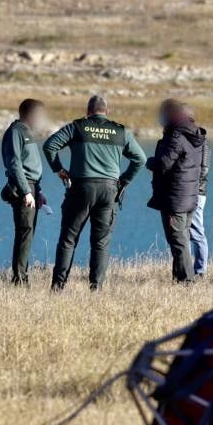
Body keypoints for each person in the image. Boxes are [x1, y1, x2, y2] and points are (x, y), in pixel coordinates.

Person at [43, 95, 146, 291]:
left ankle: (58, 287)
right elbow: (140, 159)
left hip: (81, 188)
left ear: (88, 111)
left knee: (68, 239)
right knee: (100, 242)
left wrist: (58, 169)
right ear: (108, 112)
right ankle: (96, 288)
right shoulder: (120, 131)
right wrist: (124, 181)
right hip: (109, 190)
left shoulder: (77, 126)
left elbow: (49, 145)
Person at [146, 99, 206, 283]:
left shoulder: (176, 136)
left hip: (175, 198)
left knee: (178, 242)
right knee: (182, 240)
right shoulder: (195, 136)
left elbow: (164, 164)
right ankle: (178, 279)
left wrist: (150, 162)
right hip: (189, 196)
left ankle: (187, 282)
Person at [1, 98, 48, 286]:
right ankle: (19, 278)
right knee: (24, 232)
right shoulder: (15, 132)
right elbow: (14, 164)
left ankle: (22, 274)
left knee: (29, 233)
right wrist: (26, 191)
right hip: (24, 189)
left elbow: (32, 165)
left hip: (33, 188)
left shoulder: (28, 133)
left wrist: (39, 191)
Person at [184, 104, 211, 278]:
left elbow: (203, 169)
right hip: (198, 190)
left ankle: (200, 271)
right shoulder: (204, 141)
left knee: (196, 231)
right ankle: (192, 270)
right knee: (190, 232)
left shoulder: (197, 142)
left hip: (195, 191)